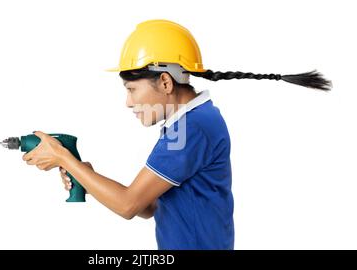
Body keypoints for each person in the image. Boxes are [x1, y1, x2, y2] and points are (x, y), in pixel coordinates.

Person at [22, 19, 331, 250]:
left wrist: (63, 156)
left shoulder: (189, 129)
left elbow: (129, 205)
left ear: (166, 83)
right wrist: (89, 177)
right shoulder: (191, 121)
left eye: (132, 89)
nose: (128, 102)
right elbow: (149, 207)